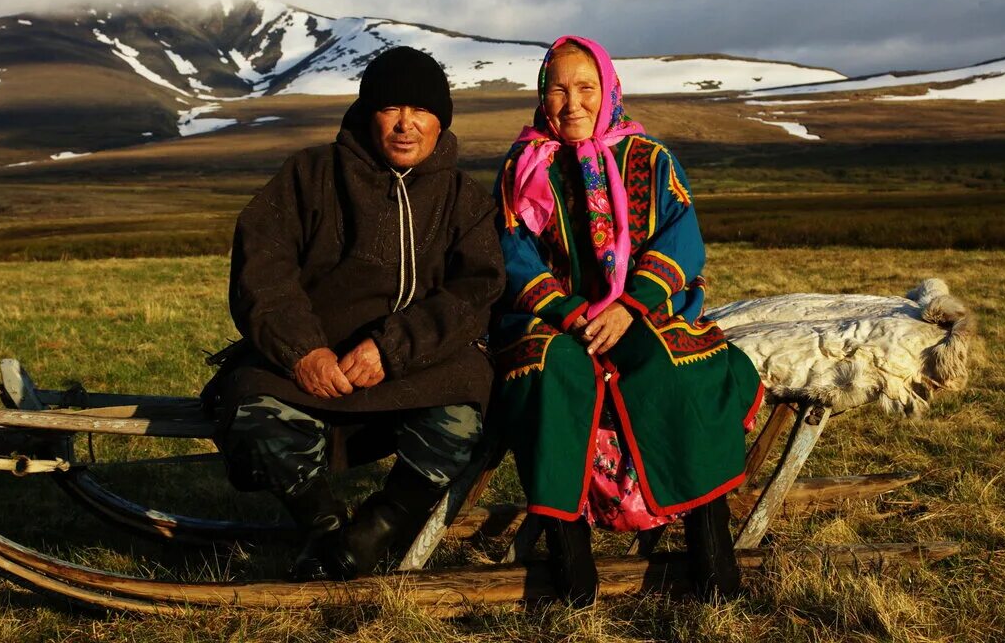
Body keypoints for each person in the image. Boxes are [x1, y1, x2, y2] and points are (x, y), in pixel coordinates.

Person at [202, 46, 505, 582]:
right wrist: (303, 351)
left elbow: (475, 291)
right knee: (252, 408)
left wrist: (393, 349)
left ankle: (378, 528)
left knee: (465, 415)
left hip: (417, 365)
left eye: (422, 111)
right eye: (391, 108)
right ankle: (322, 528)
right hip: (314, 360)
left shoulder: (463, 197)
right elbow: (263, 271)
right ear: (369, 112)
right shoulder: (310, 175)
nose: (406, 124)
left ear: (442, 121)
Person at [492, 36, 764, 605]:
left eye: (586, 88)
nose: (573, 103)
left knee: (677, 367)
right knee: (549, 372)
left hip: (644, 308)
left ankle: (711, 552)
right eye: (559, 89)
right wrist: (565, 311)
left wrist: (630, 305)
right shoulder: (522, 168)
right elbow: (512, 252)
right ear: (543, 96)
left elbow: (681, 239)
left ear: (609, 90)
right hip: (556, 317)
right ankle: (571, 563)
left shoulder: (652, 159)